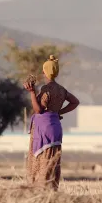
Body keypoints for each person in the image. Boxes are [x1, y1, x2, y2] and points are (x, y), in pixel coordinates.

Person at [23, 55, 79, 190]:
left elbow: (38, 110)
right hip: (55, 128)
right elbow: (75, 102)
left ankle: (40, 190)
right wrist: (58, 113)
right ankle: (52, 188)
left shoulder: (46, 90)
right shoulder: (61, 90)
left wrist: (32, 93)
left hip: (43, 128)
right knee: (52, 158)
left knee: (41, 159)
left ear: (45, 72)